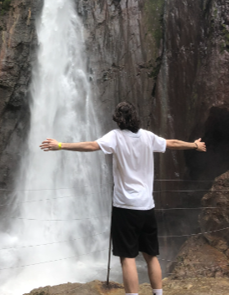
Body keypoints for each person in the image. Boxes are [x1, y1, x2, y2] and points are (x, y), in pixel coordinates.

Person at [39, 101, 206, 295]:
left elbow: (92, 146)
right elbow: (172, 143)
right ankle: (158, 296)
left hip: (125, 207)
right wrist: (194, 145)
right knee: (151, 256)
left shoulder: (115, 137)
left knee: (127, 257)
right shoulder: (147, 137)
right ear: (135, 117)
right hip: (146, 206)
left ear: (118, 120)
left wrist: (60, 145)